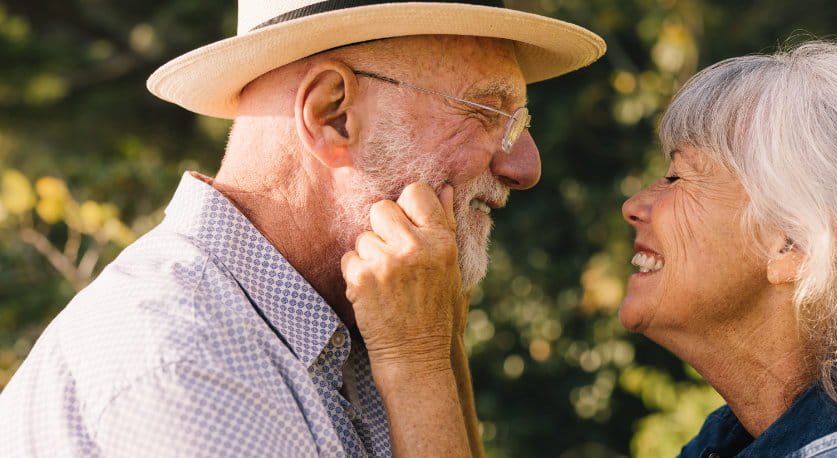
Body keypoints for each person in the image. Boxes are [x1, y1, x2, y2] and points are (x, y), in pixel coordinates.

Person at [0, 0, 604, 456]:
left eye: (519, 120)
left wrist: (433, 356)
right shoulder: (188, 365)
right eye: (486, 113)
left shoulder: (361, 321)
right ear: (331, 114)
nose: (526, 165)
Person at [353, 40, 837, 456]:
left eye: (677, 177)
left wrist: (414, 364)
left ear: (796, 244)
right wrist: (438, 344)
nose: (636, 204)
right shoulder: (730, 443)